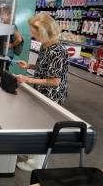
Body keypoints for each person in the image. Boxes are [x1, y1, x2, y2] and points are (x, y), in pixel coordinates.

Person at [15, 13, 69, 171]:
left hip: (52, 96)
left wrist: (28, 79)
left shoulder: (57, 51)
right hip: (42, 91)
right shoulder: (46, 45)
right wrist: (29, 67)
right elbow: (45, 68)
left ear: (45, 31)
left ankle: (37, 163)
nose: (32, 35)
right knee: (37, 124)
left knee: (45, 127)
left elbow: (54, 81)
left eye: (34, 32)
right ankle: (33, 155)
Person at [0, 6, 23, 70]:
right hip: (3, 53)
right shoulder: (4, 24)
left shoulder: (12, 26)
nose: (0, 16)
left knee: (4, 70)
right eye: (0, 13)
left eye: (2, 14)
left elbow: (19, 39)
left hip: (7, 54)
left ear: (8, 15)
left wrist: (11, 45)